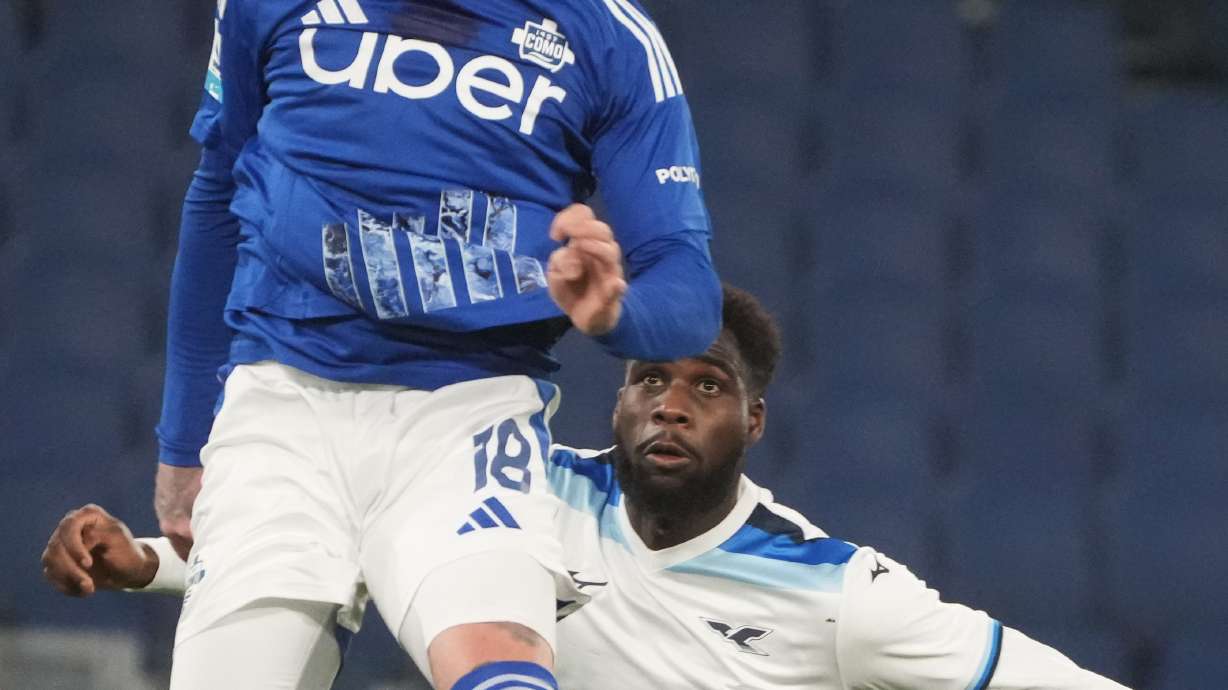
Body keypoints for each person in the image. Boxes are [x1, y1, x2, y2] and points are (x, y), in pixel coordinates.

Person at [47, 286, 1131, 689]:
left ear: (751, 421)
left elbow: (1024, 675)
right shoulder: (518, 489)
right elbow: (336, 538)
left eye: (705, 388)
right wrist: (147, 563)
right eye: (650, 380)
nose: (670, 404)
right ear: (614, 398)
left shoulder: (835, 590)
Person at [143, 0, 720, 688]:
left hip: (468, 412)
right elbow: (218, 190)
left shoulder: (610, 36)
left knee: (499, 666)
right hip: (280, 403)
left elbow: (687, 288)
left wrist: (616, 314)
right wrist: (183, 443)